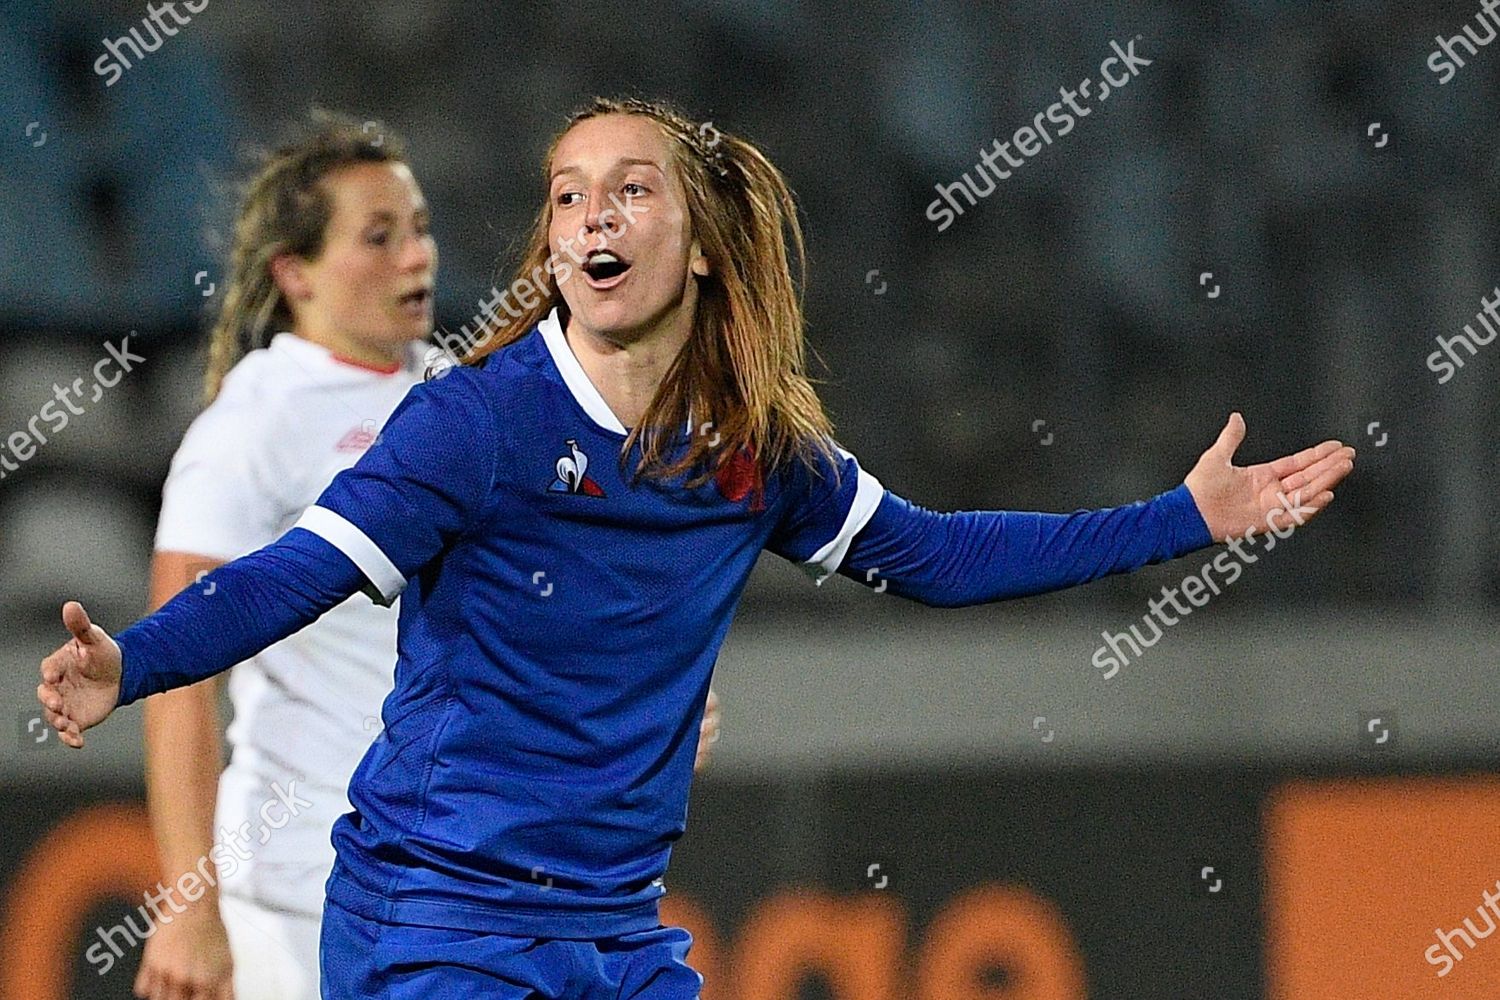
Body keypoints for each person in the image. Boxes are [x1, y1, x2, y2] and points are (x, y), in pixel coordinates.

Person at [40, 96, 1355, 999]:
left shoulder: (752, 449)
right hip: (436, 925)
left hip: (611, 934)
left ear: (705, 247)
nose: (591, 214)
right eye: (568, 195)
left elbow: (939, 558)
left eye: (628, 188)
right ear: (555, 251)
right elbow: (290, 577)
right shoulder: (473, 425)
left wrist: (1182, 519)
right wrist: (133, 666)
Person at [124, 110, 722, 1000]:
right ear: (296, 274)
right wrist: (187, 902)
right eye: (379, 236)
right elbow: (181, 672)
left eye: (420, 228)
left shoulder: (461, 398)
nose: (418, 257)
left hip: (451, 885)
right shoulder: (254, 422)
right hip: (292, 896)